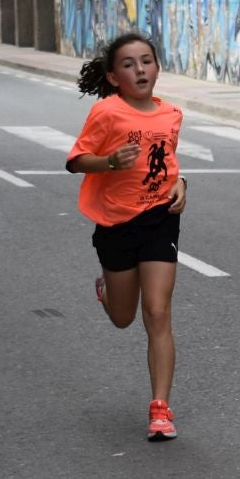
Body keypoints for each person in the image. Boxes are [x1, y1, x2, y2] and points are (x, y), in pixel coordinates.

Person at [65, 32, 188, 442]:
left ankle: (160, 408)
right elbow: (75, 160)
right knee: (123, 318)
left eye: (147, 61)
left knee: (157, 312)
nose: (140, 69)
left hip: (159, 218)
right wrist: (108, 161)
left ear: (157, 67)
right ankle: (107, 290)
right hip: (116, 222)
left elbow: (168, 160)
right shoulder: (107, 113)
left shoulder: (171, 114)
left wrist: (182, 183)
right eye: (129, 64)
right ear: (114, 76)